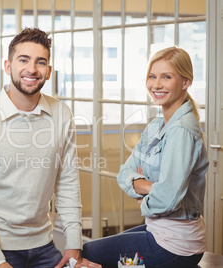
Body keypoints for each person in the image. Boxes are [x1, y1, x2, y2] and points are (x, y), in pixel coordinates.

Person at [0, 28, 84, 268]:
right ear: (7, 66)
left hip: (44, 245)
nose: (32, 69)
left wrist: (74, 242)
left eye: (41, 62)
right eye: (23, 60)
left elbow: (67, 181)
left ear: (49, 71)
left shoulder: (61, 114)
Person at [82, 46, 209, 268]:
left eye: (166, 77)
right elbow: (124, 173)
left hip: (175, 246)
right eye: (152, 76)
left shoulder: (182, 131)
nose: (156, 85)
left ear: (186, 82)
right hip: (159, 231)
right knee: (95, 251)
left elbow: (168, 199)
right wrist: (152, 187)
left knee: (88, 254)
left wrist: (143, 195)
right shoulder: (156, 126)